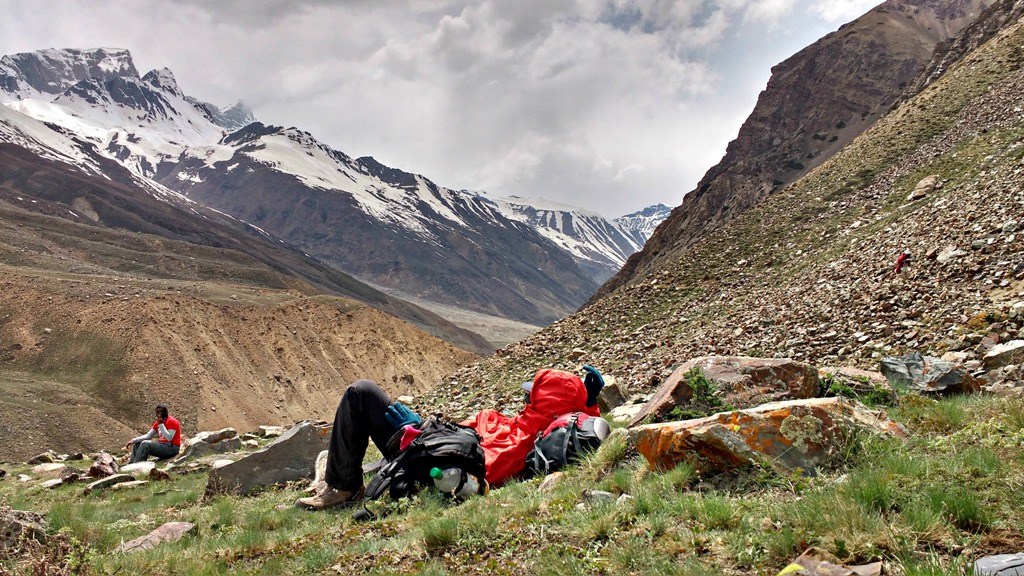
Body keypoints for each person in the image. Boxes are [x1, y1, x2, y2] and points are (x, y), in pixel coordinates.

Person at [296, 367, 604, 511]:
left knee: (361, 393)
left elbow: (470, 465)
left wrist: (419, 435)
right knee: (366, 399)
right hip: (428, 441)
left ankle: (343, 488)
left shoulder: (520, 443)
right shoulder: (526, 426)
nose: (526, 399)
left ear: (546, 405)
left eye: (531, 396)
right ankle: (341, 470)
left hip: (424, 456)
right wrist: (587, 401)